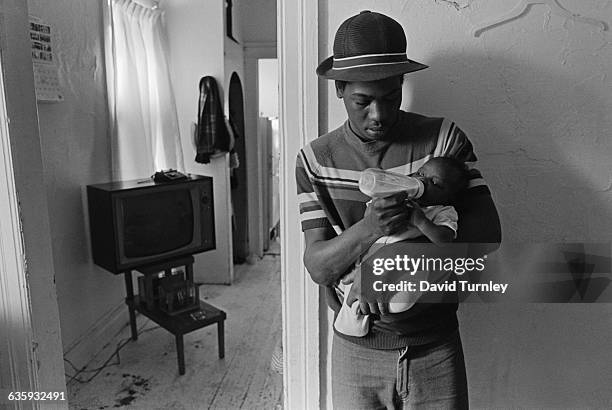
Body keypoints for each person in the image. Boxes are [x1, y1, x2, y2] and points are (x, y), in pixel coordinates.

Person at [295, 10, 501, 409]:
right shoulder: (314, 161)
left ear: (403, 83)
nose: (379, 115)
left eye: (391, 98)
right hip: (357, 350)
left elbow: (487, 240)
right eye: (363, 101)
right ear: (339, 88)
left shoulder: (444, 142)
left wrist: (386, 264)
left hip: (435, 347)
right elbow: (319, 266)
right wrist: (371, 227)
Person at [334, 157, 470, 337]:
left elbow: (445, 239)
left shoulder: (442, 211)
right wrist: (381, 205)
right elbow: (369, 218)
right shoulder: (397, 198)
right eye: (421, 173)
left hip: (407, 267)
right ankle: (352, 319)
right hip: (371, 257)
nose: (423, 181)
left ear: (448, 197)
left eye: (434, 183)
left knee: (399, 301)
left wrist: (421, 221)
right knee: (352, 286)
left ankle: (368, 311)